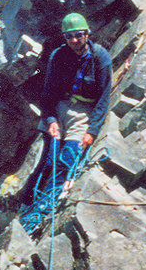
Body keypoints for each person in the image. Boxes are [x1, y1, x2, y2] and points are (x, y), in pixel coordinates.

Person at [38, 12, 112, 189]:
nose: (74, 40)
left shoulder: (100, 57)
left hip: (83, 112)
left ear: (87, 33)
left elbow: (103, 98)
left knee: (67, 159)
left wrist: (92, 131)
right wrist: (51, 119)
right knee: (48, 162)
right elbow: (47, 93)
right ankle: (28, 204)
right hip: (60, 108)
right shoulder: (59, 56)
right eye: (69, 36)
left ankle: (45, 206)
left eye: (78, 35)